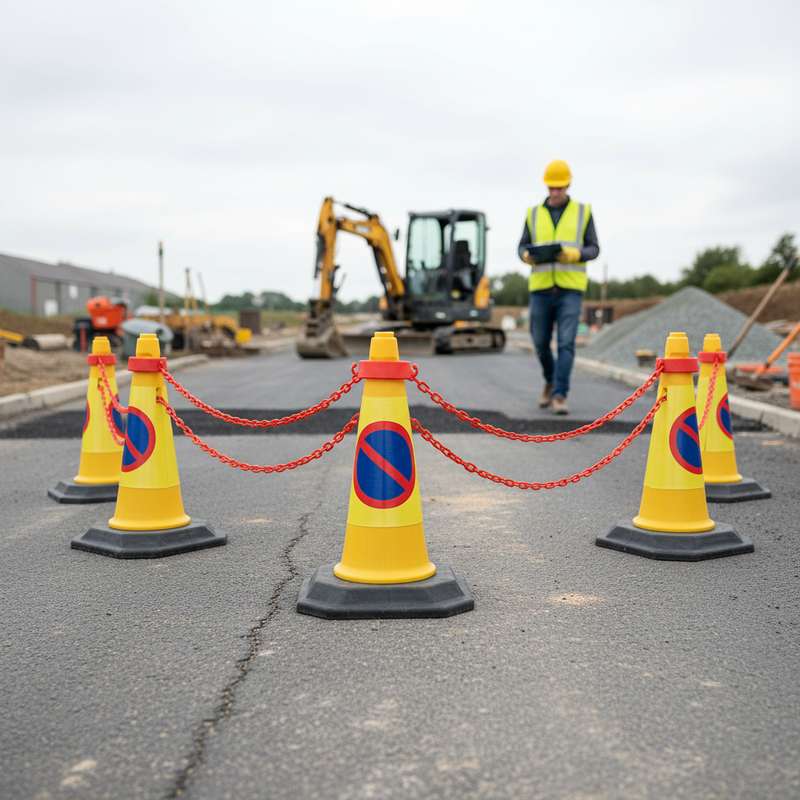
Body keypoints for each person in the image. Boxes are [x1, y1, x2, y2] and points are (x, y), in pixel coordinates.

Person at [518, 159, 599, 415]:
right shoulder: (533, 213)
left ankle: (559, 394)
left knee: (566, 343)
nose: (555, 192)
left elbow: (593, 248)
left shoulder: (583, 212)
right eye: (552, 188)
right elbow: (522, 246)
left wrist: (576, 255)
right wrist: (525, 256)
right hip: (541, 288)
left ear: (568, 185)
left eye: (560, 188)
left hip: (569, 289)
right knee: (540, 343)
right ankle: (551, 381)